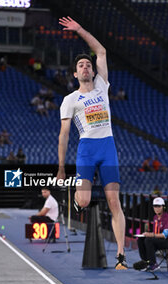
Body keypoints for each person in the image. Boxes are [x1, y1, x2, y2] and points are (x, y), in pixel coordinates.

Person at [57, 16, 127, 270]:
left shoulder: (101, 86)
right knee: (84, 201)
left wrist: (79, 30)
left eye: (88, 64)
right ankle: (79, 196)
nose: (86, 67)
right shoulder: (70, 99)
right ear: (76, 74)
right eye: (81, 66)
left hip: (107, 147)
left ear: (93, 71)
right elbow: (64, 134)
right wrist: (62, 167)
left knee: (114, 201)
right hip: (86, 149)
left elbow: (101, 50)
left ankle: (120, 256)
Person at [133, 197, 168, 272]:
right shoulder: (155, 217)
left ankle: (153, 264)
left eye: (159, 206)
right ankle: (146, 262)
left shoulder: (167, 218)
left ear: (163, 207)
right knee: (141, 240)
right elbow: (155, 232)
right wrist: (147, 234)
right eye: (155, 206)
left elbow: (164, 235)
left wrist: (151, 235)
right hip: (158, 239)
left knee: (148, 240)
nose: (157, 208)